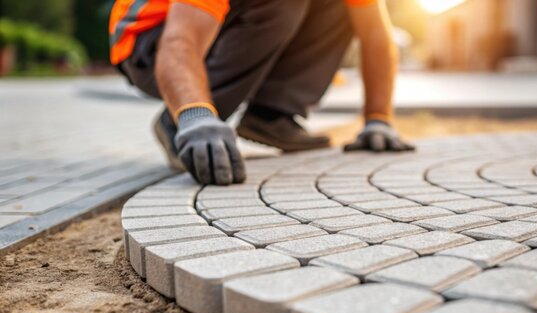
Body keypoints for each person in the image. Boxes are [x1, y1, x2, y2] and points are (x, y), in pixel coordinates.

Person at [109, 0, 415, 185]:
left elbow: (376, 33)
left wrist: (378, 119)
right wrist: (194, 113)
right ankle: (177, 122)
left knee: (339, 6)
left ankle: (272, 114)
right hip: (149, 38)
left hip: (199, 32)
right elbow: (180, 41)